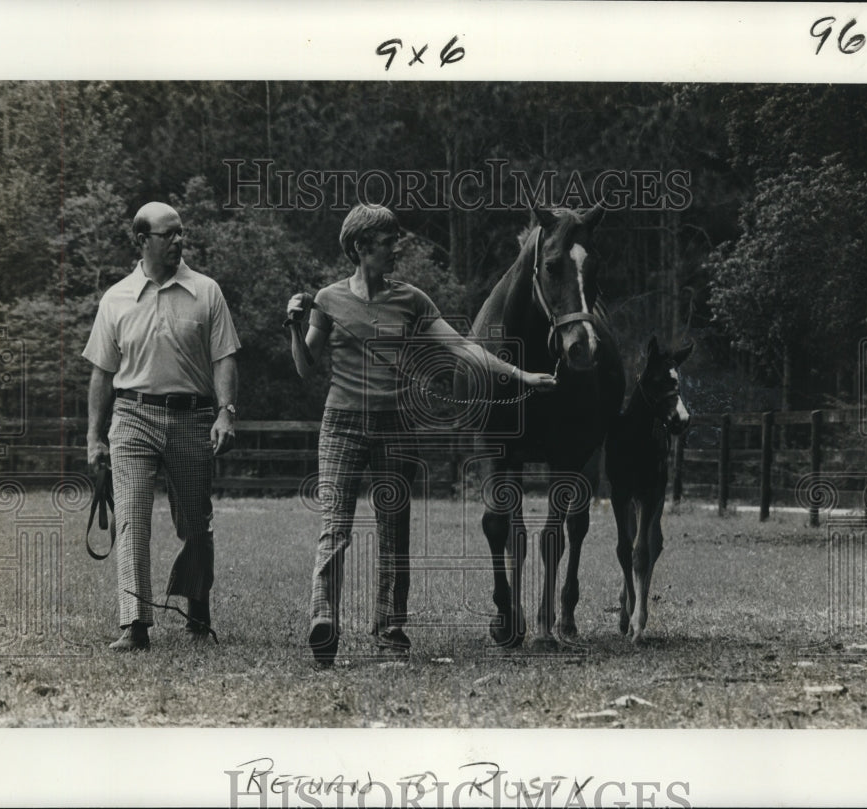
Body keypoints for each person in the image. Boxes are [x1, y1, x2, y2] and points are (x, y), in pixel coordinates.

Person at [287, 203, 556, 668]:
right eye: (389, 241)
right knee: (335, 527)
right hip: (342, 424)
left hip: (396, 427)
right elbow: (305, 366)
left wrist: (520, 374)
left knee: (394, 531)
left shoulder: (411, 299)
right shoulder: (327, 300)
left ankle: (390, 627)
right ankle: (323, 618)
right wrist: (294, 326)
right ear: (360, 247)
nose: (397, 248)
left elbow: (463, 348)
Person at [83, 201, 241, 651]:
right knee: (132, 519)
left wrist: (226, 411)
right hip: (131, 416)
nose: (178, 241)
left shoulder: (207, 291)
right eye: (168, 234)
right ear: (141, 241)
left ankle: (197, 608)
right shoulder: (115, 298)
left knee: (195, 522)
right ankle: (134, 625)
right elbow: (101, 373)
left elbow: (224, 357)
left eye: (181, 233)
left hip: (192, 417)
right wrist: (95, 437)